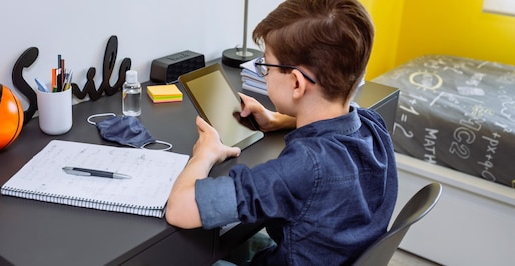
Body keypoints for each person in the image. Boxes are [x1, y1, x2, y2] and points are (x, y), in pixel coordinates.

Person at [165, 0, 398, 265]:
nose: (263, 72)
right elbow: (338, 116)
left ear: (297, 83)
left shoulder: (300, 169)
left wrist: (204, 154)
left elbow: (180, 209)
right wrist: (280, 119)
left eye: (266, 65)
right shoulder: (373, 125)